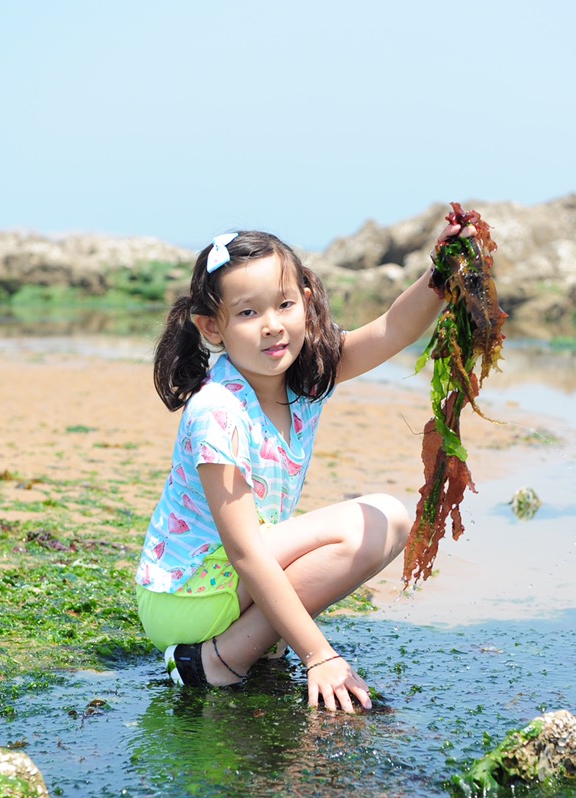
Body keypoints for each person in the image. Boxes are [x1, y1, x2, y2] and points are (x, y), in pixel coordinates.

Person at [135, 220, 470, 713]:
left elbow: (393, 328)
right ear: (212, 327)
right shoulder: (217, 411)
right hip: (185, 596)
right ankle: (216, 661)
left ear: (307, 301)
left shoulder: (306, 380)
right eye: (248, 312)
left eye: (284, 304)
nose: (272, 324)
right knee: (383, 516)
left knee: (384, 523)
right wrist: (319, 655)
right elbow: (245, 551)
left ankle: (243, 642)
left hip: (223, 584)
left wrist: (441, 274)